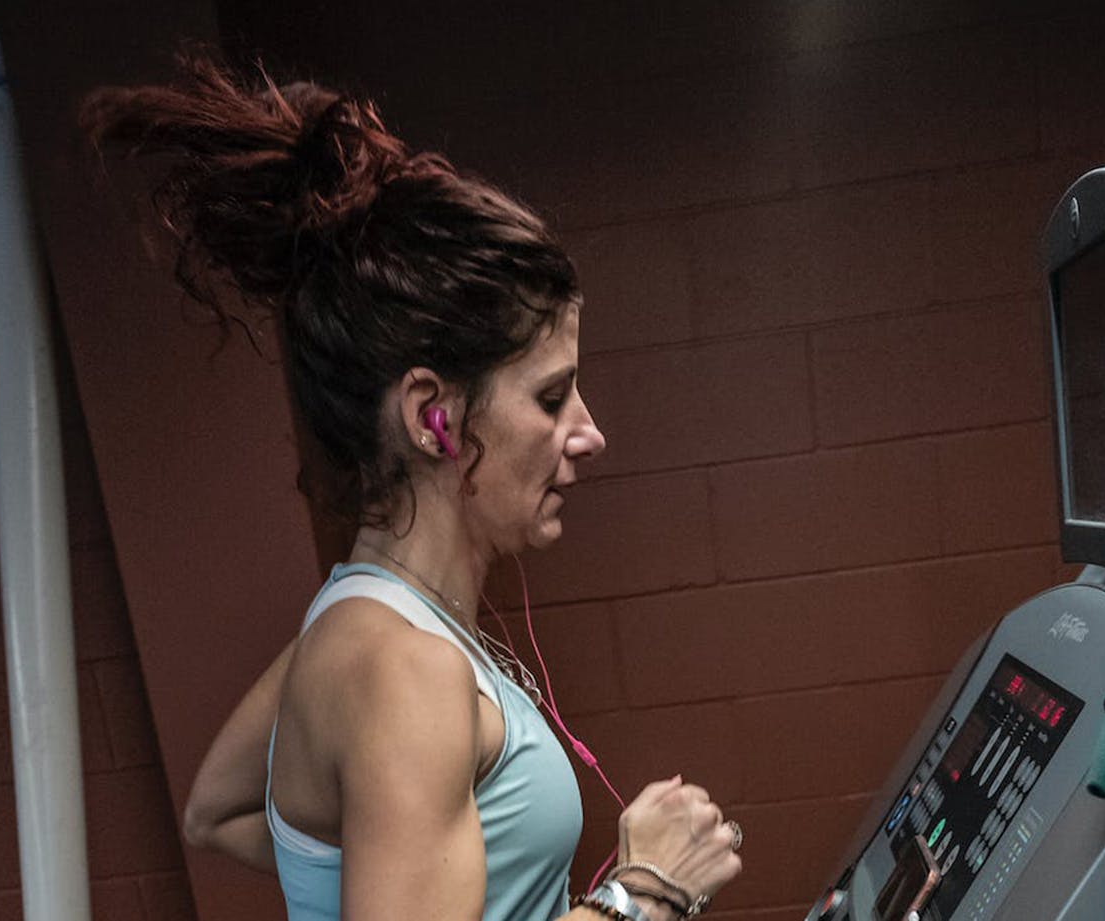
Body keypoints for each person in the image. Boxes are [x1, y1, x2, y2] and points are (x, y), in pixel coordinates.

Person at [82, 52, 743, 921]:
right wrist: (645, 891)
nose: (588, 432)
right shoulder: (406, 671)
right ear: (433, 416)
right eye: (551, 396)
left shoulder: (357, 623)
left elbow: (220, 809)